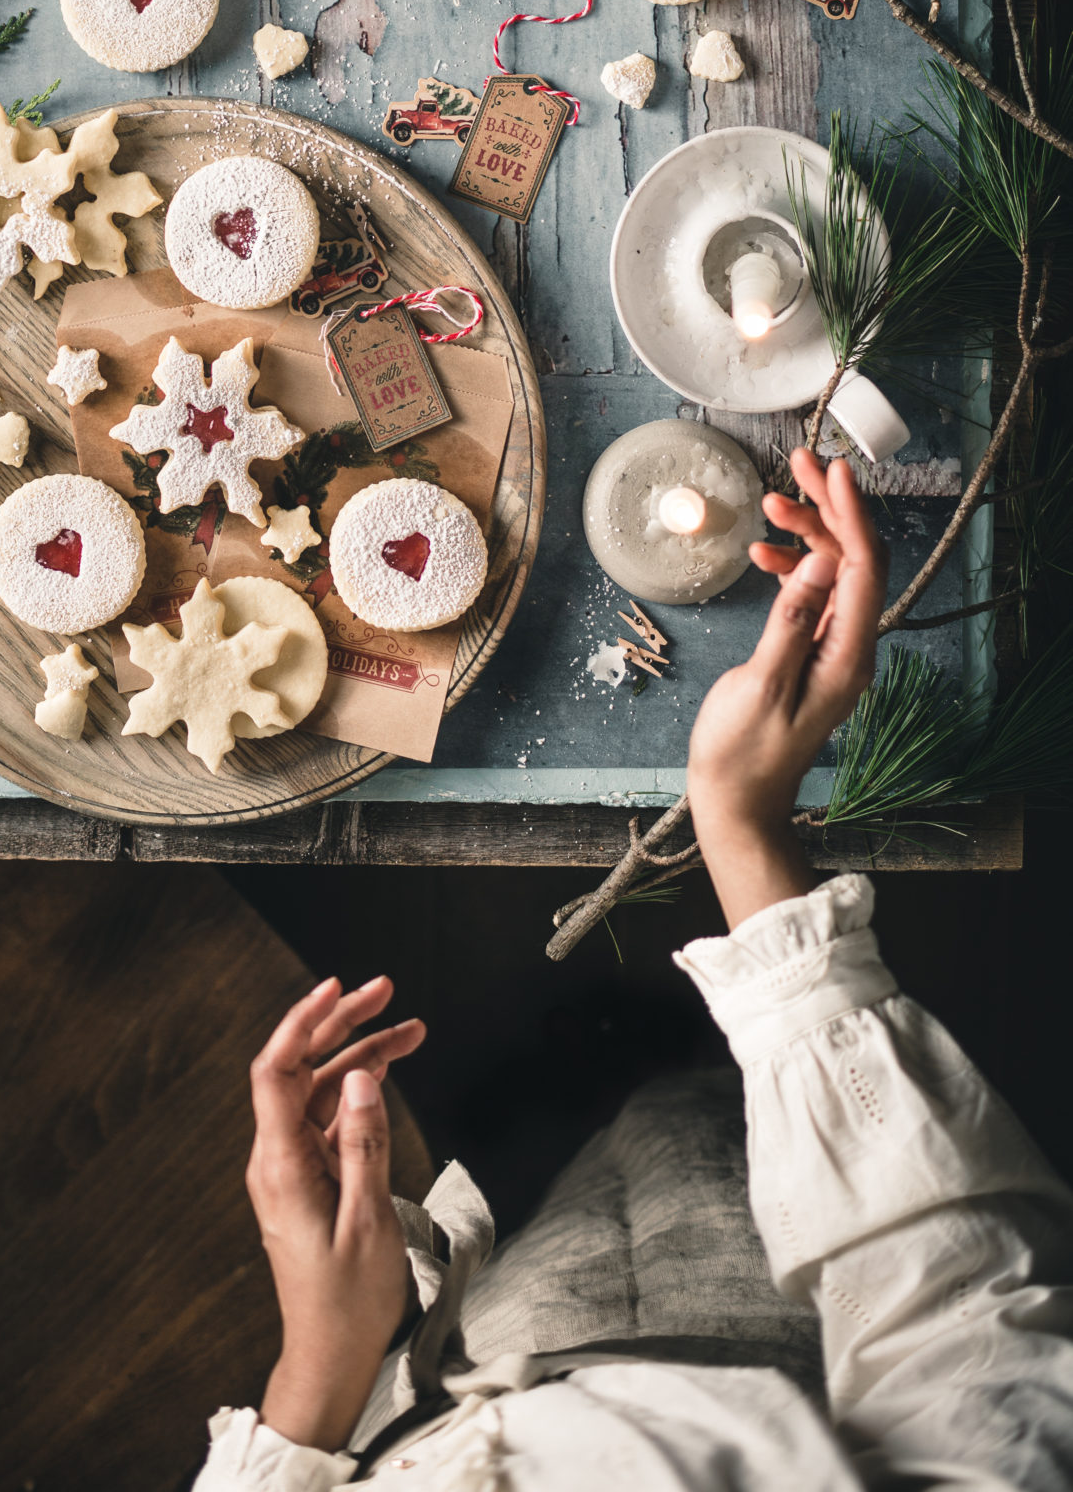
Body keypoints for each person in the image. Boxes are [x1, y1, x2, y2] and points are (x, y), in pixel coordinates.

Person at [196, 451, 1073, 1488]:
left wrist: (319, 1369)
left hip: (459, 1381)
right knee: (689, 1140)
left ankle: (613, 1086)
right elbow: (970, 1341)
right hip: (761, 1359)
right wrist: (744, 835)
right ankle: (663, 1077)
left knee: (598, 1179)